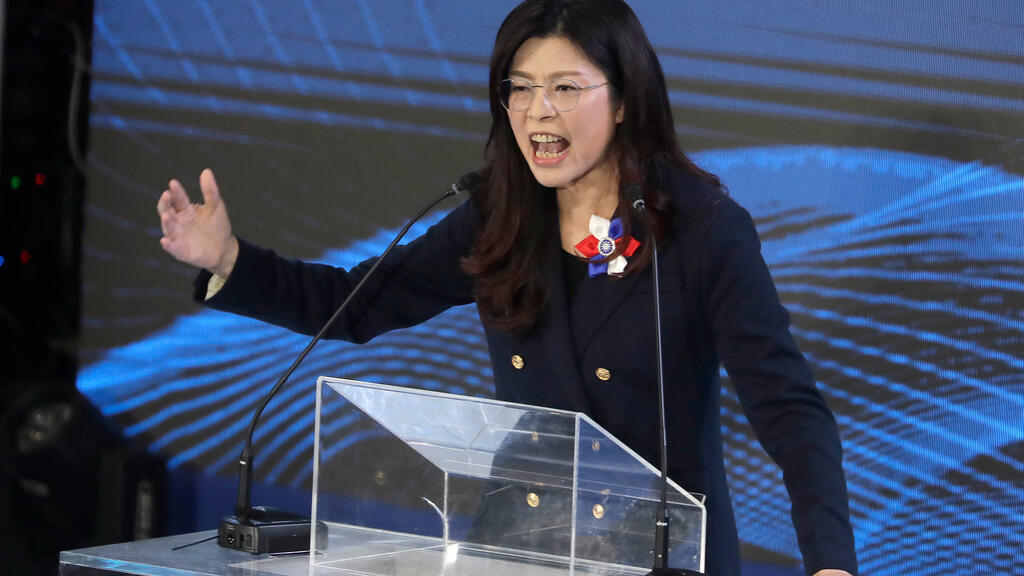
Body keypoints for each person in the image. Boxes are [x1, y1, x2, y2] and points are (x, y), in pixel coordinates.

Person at [155, 1, 857, 574]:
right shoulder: (502, 215)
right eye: (520, 88)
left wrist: (830, 564)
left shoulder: (702, 230)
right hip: (520, 551)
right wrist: (229, 259)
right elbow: (355, 304)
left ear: (623, 101)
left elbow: (789, 411)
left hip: (660, 554)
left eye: (565, 88)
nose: (537, 111)